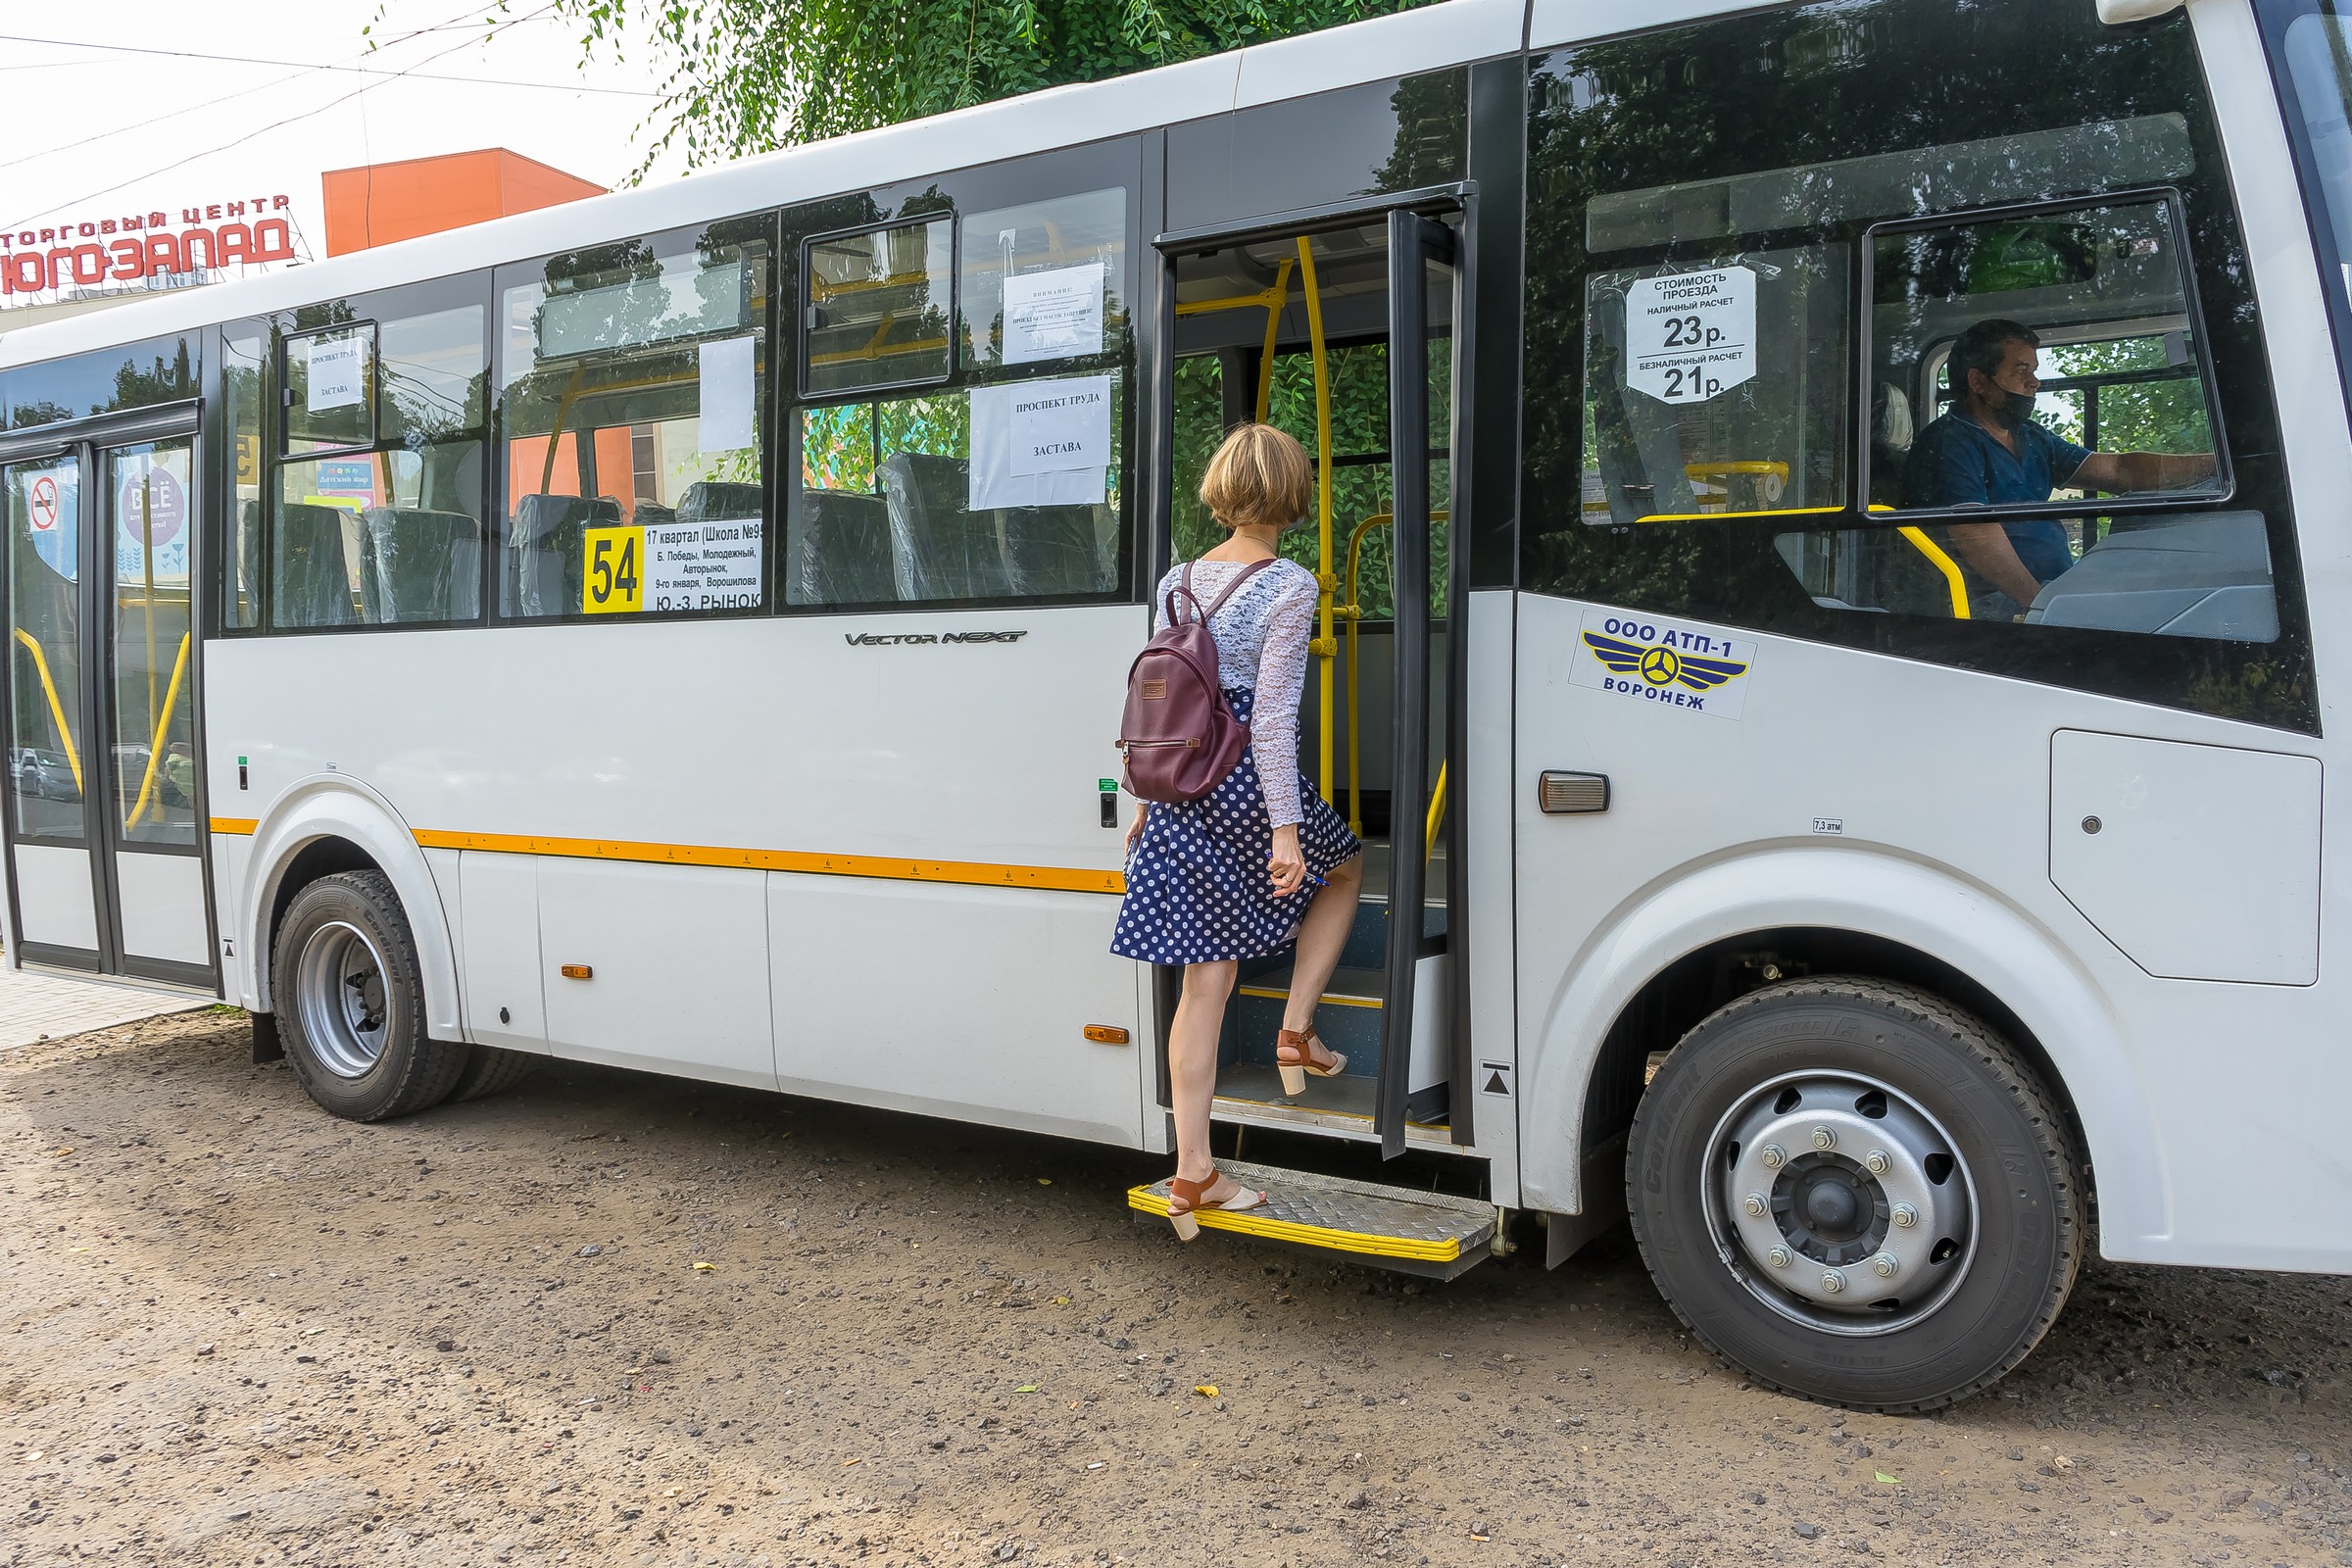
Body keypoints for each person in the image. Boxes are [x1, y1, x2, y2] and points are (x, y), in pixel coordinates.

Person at [1111, 423, 1364, 1236]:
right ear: (1293, 495)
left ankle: (1193, 1173)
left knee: (1203, 983)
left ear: (1221, 488)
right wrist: (1286, 832)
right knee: (1347, 869)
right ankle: (1296, 1029)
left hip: (1181, 781)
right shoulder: (1290, 584)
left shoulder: (1176, 580)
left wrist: (1142, 798)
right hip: (1245, 784)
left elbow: (1159, 699)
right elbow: (1274, 722)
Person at [1902, 318, 2217, 614]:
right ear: (1978, 382)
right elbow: (1973, 531)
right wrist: (2041, 606)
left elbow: (2121, 471)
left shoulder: (2030, 436)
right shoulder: (1949, 442)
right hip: (1988, 603)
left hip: (2046, 590)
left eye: (2034, 370)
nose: (2034, 382)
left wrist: (2217, 466)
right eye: (2021, 370)